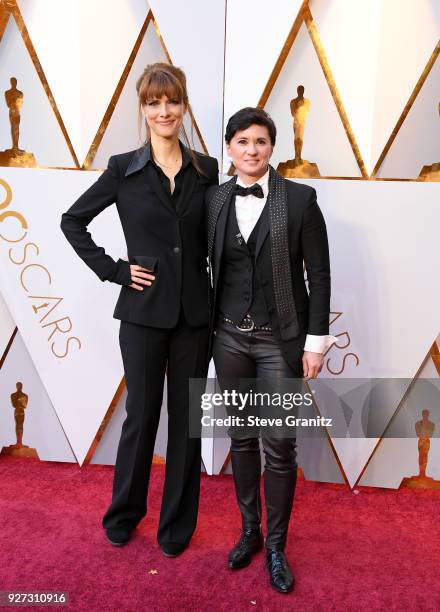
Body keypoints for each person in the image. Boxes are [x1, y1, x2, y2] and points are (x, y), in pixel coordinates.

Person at [61, 63, 218, 557]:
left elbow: (220, 242)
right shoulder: (122, 169)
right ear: (143, 108)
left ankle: (176, 527)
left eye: (172, 101)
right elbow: (73, 222)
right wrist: (115, 270)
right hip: (142, 314)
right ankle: (124, 514)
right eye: (154, 102)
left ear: (184, 105)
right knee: (141, 416)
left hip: (197, 316)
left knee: (186, 424)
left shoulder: (207, 169)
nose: (164, 111)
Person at [206, 107, 335, 593]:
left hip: (280, 342)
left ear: (272, 147)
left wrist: (315, 342)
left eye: (260, 141)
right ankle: (249, 534)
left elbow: (318, 276)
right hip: (228, 339)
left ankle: (277, 547)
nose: (252, 150)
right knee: (240, 439)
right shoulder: (215, 200)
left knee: (278, 447)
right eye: (242, 141)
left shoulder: (300, 199)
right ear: (230, 148)